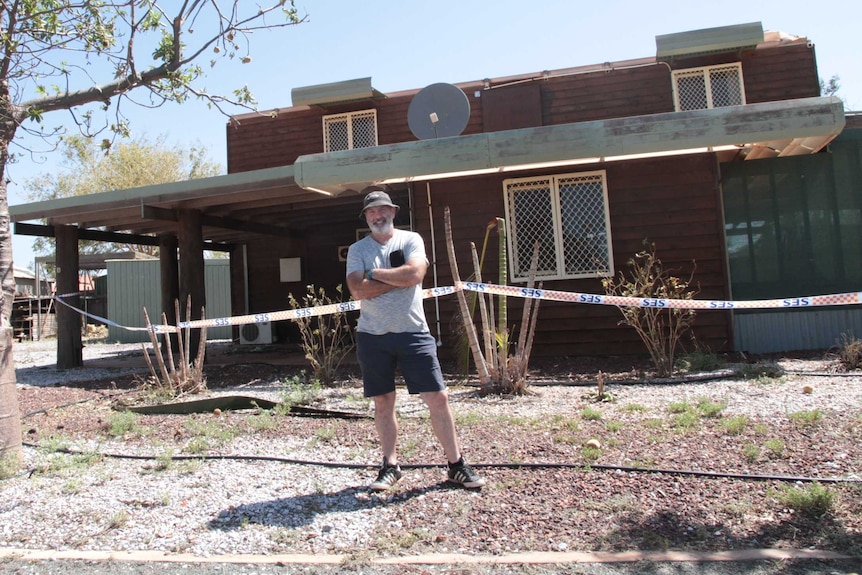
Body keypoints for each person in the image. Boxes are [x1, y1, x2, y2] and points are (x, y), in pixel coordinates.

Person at [345, 188, 485, 491]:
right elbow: (357, 290)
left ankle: (456, 465)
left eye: (382, 210)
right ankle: (390, 466)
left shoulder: (411, 240)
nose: (377, 216)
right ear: (366, 217)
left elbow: (415, 275)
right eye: (371, 212)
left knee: (438, 398)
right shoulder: (357, 249)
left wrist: (376, 275)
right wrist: (398, 278)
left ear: (393, 212)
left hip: (413, 333)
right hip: (373, 336)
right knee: (383, 402)